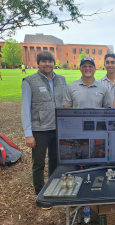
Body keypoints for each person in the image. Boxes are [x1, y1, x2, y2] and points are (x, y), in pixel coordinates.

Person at [21, 51, 66, 197]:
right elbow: (25, 109)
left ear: (54, 63)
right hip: (40, 129)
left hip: (58, 128)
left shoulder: (61, 80)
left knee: (55, 160)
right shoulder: (29, 81)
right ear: (38, 63)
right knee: (39, 163)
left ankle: (53, 189)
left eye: (50, 61)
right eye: (44, 61)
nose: (47, 64)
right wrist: (28, 134)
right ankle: (40, 192)